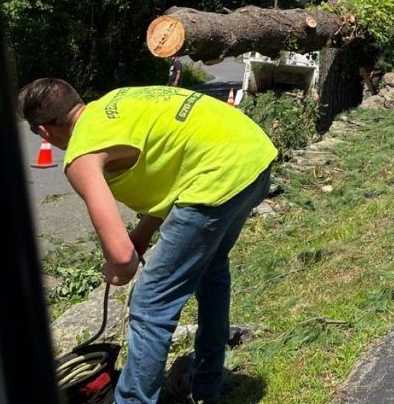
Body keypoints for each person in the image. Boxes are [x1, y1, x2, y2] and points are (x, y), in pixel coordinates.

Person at [17, 78, 277, 404]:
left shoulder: (82, 155)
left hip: (217, 177)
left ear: (43, 132)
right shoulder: (114, 104)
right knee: (211, 271)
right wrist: (140, 237)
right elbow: (171, 170)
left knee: (150, 305)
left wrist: (117, 267)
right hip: (254, 157)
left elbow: (123, 261)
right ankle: (206, 385)